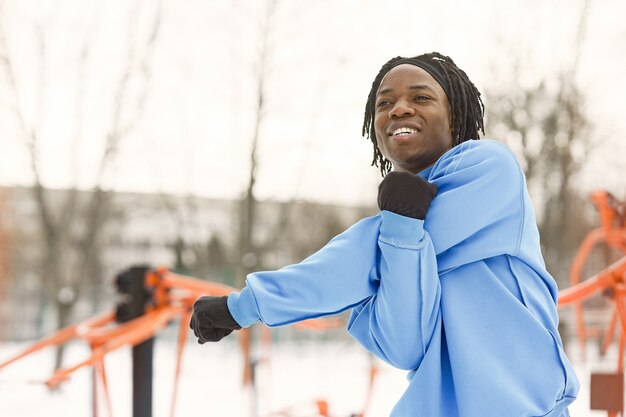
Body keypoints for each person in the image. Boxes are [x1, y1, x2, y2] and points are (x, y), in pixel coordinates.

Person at [190, 52, 579, 416]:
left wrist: (242, 307)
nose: (399, 108)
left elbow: (360, 256)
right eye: (383, 102)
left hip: (525, 406)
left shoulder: (490, 168)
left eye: (421, 97)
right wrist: (402, 230)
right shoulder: (397, 225)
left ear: (456, 116)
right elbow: (404, 345)